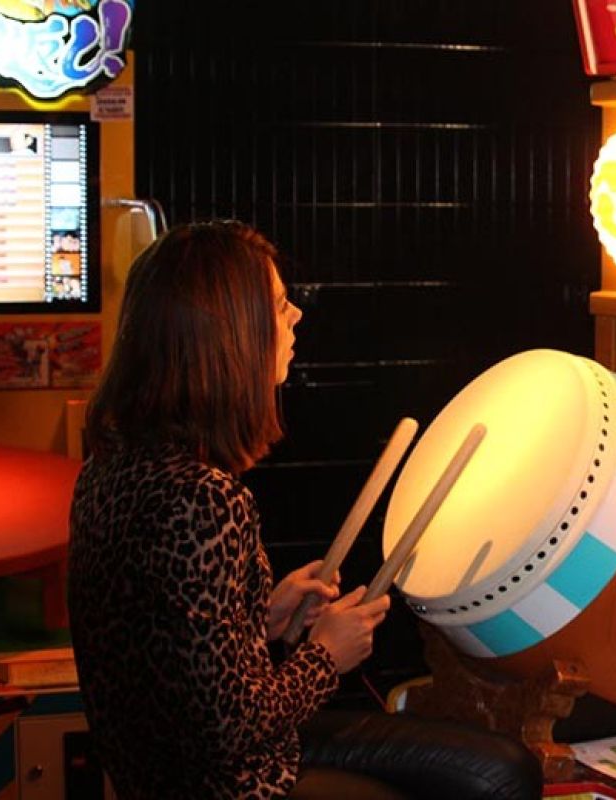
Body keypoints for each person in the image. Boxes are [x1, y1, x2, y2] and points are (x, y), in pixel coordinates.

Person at [68, 220, 542, 799]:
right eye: (277, 304)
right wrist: (325, 656)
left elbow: (171, 655)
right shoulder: (202, 496)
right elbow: (231, 729)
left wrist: (264, 616)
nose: (295, 316)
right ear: (227, 335)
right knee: (499, 777)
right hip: (229, 784)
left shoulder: (112, 466)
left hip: (163, 772)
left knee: (498, 766)